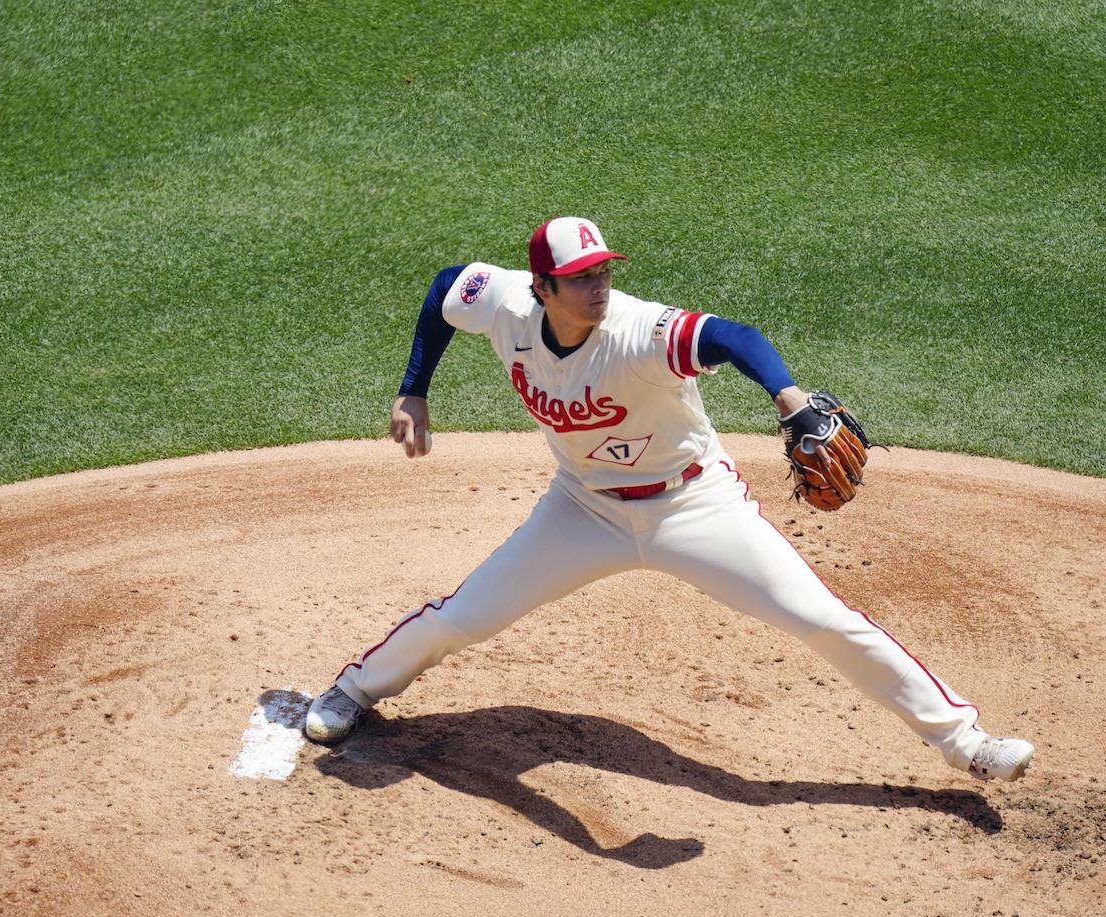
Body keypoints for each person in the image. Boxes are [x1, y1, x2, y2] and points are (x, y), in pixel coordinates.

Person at [301, 216, 1034, 783]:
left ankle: (966, 743)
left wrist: (787, 395)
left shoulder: (637, 331)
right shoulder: (502, 305)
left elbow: (732, 335)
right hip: (582, 509)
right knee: (469, 613)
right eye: (581, 277)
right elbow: (442, 288)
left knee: (821, 618)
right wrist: (414, 388)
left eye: (604, 273)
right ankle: (354, 691)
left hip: (694, 507)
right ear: (542, 287)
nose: (599, 287)